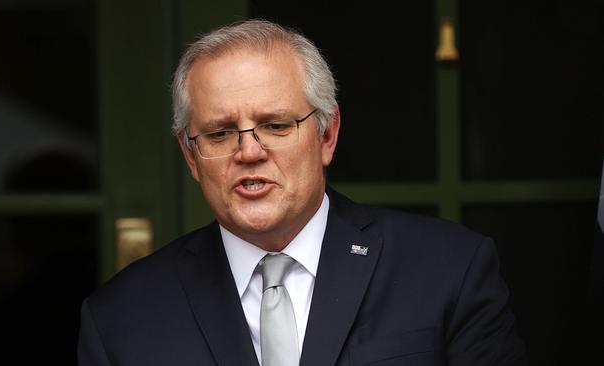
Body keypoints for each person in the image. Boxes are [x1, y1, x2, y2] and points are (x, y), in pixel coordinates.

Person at [78, 19, 527, 365]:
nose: (249, 151)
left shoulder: (448, 270)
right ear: (191, 157)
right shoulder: (120, 319)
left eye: (275, 126)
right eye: (219, 134)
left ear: (327, 135)